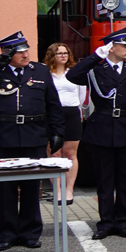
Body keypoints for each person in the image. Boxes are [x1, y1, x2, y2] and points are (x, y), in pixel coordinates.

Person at [0, 31, 64, 250]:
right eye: (20, 52)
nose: (26, 55)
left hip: (34, 136)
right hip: (5, 138)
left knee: (31, 187)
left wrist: (57, 132)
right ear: (7, 53)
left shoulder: (40, 70)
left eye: (26, 50)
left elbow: (53, 104)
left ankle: (30, 233)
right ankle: (7, 235)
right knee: (6, 189)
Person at [68, 30, 126, 239]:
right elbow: (72, 75)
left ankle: (123, 223)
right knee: (104, 181)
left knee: (125, 181)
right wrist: (96, 56)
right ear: (111, 48)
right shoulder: (95, 70)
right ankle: (105, 223)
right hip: (101, 130)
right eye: (124, 45)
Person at [44, 42, 86, 206]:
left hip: (71, 114)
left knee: (70, 153)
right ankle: (58, 190)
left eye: (65, 53)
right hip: (52, 115)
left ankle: (69, 190)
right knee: (54, 153)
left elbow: (81, 96)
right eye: (59, 53)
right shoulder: (46, 74)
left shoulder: (75, 73)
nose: (63, 56)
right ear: (52, 56)